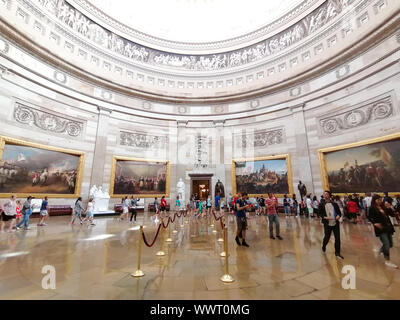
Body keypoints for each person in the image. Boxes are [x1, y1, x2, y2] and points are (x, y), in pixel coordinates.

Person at [369, 194, 397, 268]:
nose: (380, 201)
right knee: (387, 244)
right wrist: (374, 223)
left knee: (390, 244)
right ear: (374, 200)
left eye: (380, 199)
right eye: (378, 200)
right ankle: (387, 261)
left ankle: (380, 250)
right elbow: (370, 217)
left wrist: (389, 207)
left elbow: (392, 215)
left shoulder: (384, 206)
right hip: (381, 228)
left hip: (388, 227)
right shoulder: (372, 208)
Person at [318, 191, 344, 259]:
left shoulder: (334, 204)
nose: (325, 195)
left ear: (329, 195)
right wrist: (325, 217)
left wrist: (338, 216)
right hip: (327, 224)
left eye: (326, 194)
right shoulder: (321, 204)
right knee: (327, 237)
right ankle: (324, 245)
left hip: (335, 223)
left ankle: (337, 252)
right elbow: (319, 214)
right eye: (324, 194)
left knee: (337, 238)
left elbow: (339, 213)